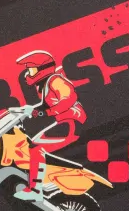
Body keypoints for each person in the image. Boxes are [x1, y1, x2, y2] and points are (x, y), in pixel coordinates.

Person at [14, 50, 87, 200]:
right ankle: (43, 180)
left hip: (72, 122)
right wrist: (29, 110)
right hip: (66, 122)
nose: (28, 74)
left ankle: (35, 190)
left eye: (32, 70)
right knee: (31, 145)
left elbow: (68, 98)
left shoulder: (55, 81)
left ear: (43, 69)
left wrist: (44, 113)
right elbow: (46, 105)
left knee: (35, 148)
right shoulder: (44, 85)